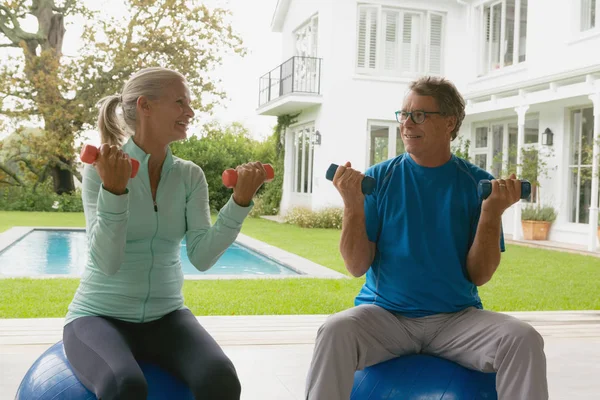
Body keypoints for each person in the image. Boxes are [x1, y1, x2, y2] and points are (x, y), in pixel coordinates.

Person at [305, 76, 548, 400]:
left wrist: (491, 213)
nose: (406, 123)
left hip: (456, 319)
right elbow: (355, 265)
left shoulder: (477, 184)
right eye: (403, 114)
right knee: (335, 331)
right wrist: (353, 203)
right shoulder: (380, 179)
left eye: (418, 115)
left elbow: (480, 274)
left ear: (450, 122)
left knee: (524, 338)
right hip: (386, 317)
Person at [63, 67, 266, 400]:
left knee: (222, 380)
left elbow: (201, 256)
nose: (190, 112)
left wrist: (240, 202)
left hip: (167, 315)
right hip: (99, 315)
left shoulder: (189, 176)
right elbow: (107, 262)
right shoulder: (102, 169)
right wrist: (115, 192)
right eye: (180, 102)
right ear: (146, 106)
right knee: (125, 386)